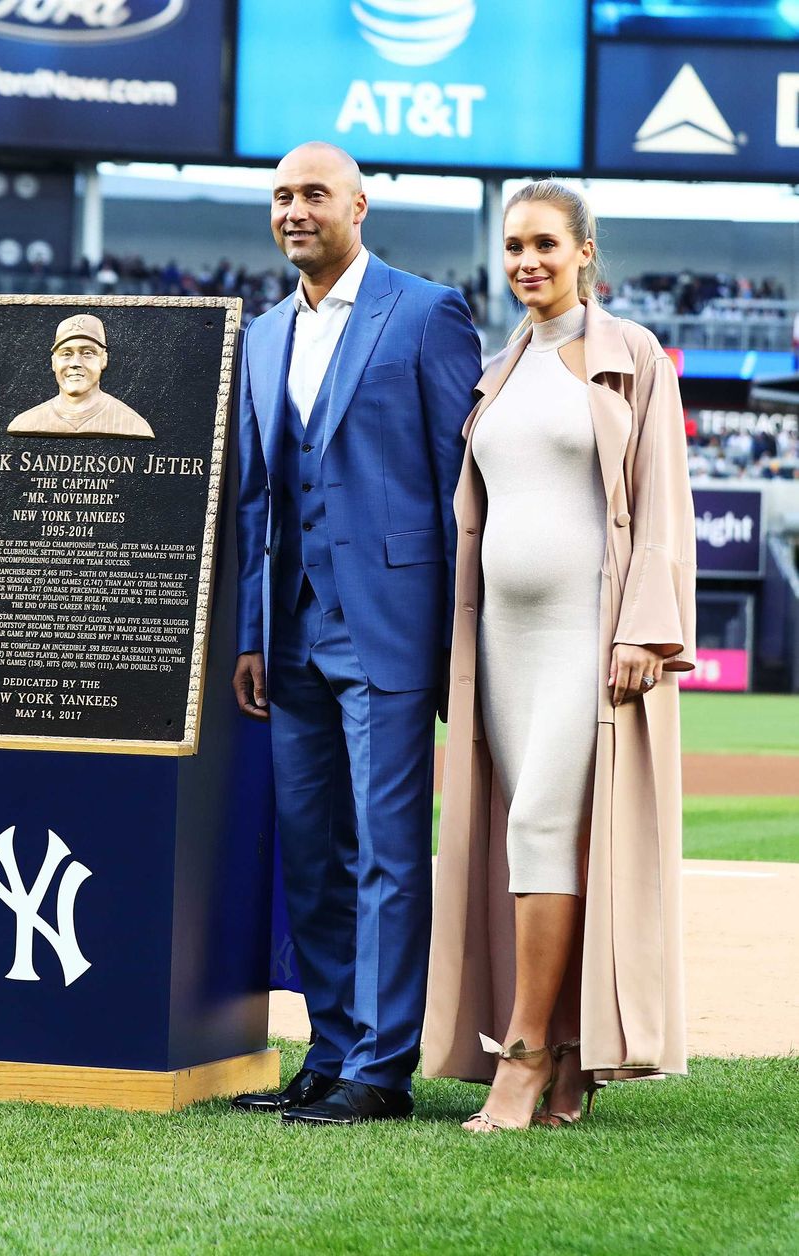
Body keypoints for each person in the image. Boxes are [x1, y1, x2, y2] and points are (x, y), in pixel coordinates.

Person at [423, 180, 696, 1132]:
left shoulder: (632, 356)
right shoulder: (497, 369)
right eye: (512, 247)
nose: (526, 262)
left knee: (542, 825)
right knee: (527, 836)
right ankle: (570, 1059)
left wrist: (642, 629)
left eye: (545, 244)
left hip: (590, 636)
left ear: (585, 251)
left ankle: (526, 1056)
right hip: (501, 641)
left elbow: (663, 501)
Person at [231, 142, 481, 1125]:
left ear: (358, 206)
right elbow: (259, 493)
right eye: (281, 196)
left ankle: (379, 1066)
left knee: (384, 849)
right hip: (287, 629)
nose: (295, 209)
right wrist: (253, 629)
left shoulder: (424, 313)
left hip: (385, 625)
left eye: (314, 194)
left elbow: (460, 489)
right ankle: (329, 1048)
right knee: (308, 851)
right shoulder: (258, 335)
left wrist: (459, 640)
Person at [8, 314, 154, 438]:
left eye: (87, 353)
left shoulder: (132, 425)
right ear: (53, 362)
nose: (75, 363)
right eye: (66, 354)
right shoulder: (26, 422)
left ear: (103, 360)